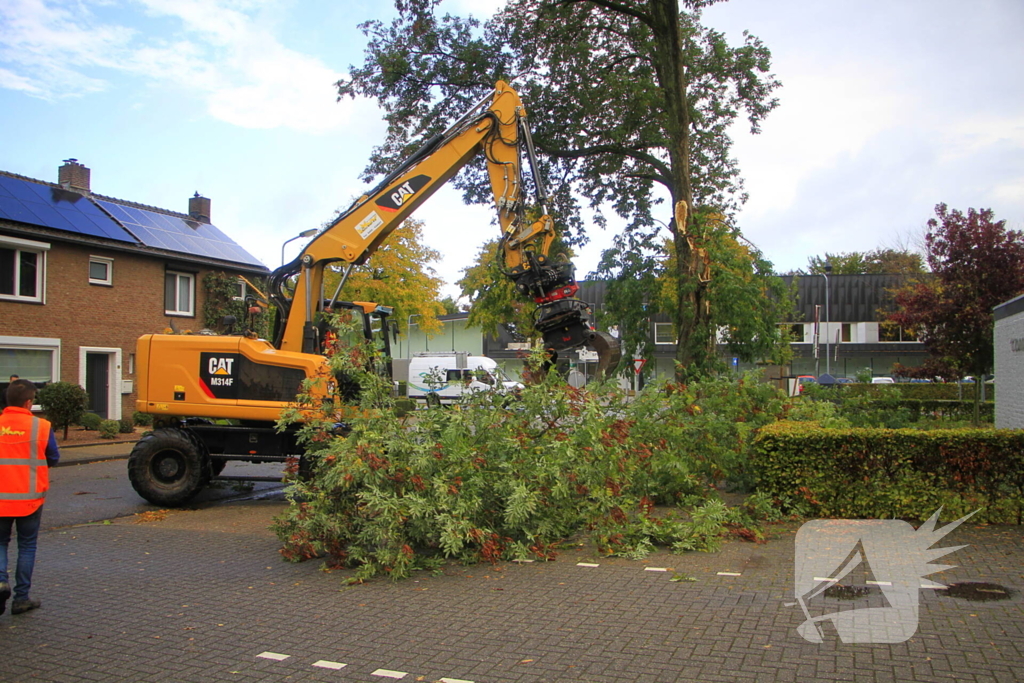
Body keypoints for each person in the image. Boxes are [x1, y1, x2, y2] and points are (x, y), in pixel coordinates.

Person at [0, 379, 60, 616]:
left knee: (0, 542)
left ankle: (1, 583)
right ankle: (21, 598)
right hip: (29, 499)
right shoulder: (41, 427)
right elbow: (53, 458)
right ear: (28, 402)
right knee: (26, 545)